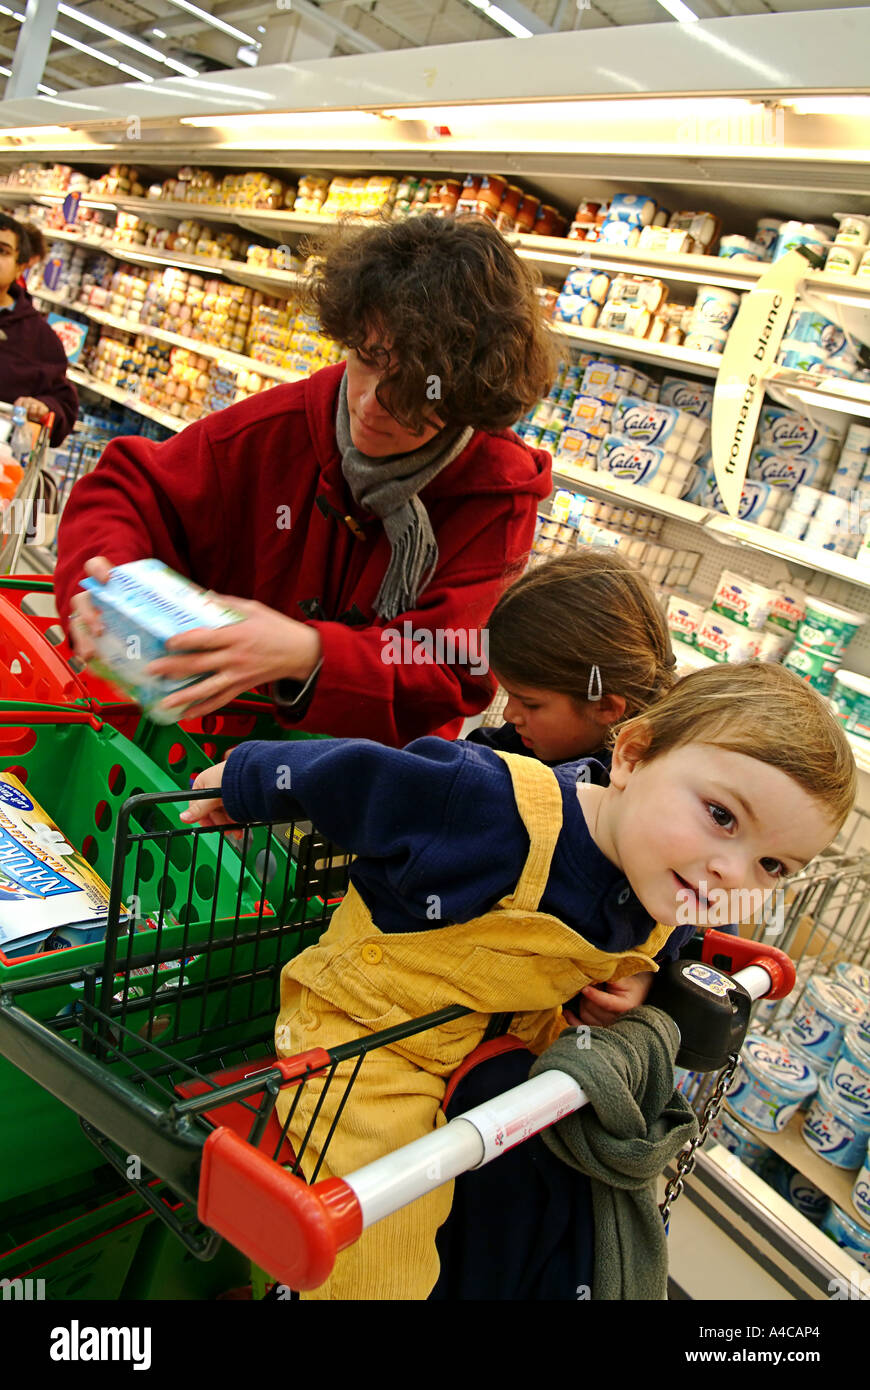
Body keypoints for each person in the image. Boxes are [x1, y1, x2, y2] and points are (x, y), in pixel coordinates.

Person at [180, 660, 856, 1299]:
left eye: (772, 866)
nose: (729, 875)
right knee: (385, 1230)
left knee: (514, 1209)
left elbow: (670, 941)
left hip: (499, 1044)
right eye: (721, 817)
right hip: (368, 1037)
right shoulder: (492, 805)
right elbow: (368, 778)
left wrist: (646, 984)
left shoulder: (669, 886)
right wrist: (246, 780)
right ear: (632, 756)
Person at [54, 213, 556, 745]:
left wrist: (308, 652)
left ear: (467, 395)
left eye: (411, 386)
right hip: (218, 738)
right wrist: (105, 586)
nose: (368, 403)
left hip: (374, 776)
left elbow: (448, 670)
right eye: (366, 358)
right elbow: (130, 489)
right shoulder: (282, 425)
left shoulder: (497, 491)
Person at [0, 212, 78, 448]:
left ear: (20, 267)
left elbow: (63, 403)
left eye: (3, 251)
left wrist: (43, 406)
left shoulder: (39, 337)